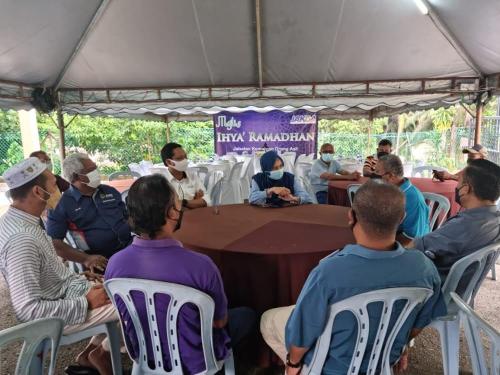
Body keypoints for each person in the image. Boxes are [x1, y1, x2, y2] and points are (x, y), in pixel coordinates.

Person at [260, 181, 446, 375]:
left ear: (351, 216)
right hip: (386, 358)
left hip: (332, 366)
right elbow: (420, 321)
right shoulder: (425, 268)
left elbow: (301, 335)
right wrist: (401, 344)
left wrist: (294, 363)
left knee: (268, 319)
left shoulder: (329, 271)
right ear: (402, 218)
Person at [105, 174, 256, 374]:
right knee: (247, 315)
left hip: (145, 353)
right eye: (177, 203)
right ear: (172, 213)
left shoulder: (115, 264)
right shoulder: (201, 266)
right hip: (196, 358)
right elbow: (219, 322)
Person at [0, 157, 118, 375]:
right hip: (54, 314)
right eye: (54, 186)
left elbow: (48, 274)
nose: (59, 191)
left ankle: (92, 353)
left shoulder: (24, 220)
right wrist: (86, 302)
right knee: (134, 303)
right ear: (37, 191)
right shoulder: (21, 240)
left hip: (64, 295)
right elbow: (28, 311)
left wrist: (80, 279)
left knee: (119, 288)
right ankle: (101, 353)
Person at [409, 159, 500, 282]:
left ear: (465, 189)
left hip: (431, 290)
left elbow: (415, 247)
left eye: (459, 182)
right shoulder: (495, 218)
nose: (456, 186)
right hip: (460, 291)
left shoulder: (463, 225)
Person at [46, 153, 131, 269]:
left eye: (95, 167)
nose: (97, 172)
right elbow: (54, 243)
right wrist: (85, 259)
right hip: (100, 262)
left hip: (129, 250)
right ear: (76, 176)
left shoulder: (110, 191)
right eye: (91, 170)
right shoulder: (62, 205)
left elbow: (128, 217)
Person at [375, 154, 430, 240]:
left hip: (408, 248)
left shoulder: (413, 199)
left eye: (378, 173)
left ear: (391, 176)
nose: (374, 177)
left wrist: (382, 246)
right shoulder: (388, 189)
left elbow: (411, 239)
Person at [161, 142, 211, 209]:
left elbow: (207, 201)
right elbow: (166, 208)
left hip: (194, 217)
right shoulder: (161, 182)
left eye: (185, 157)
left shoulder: (193, 176)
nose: (185, 161)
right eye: (179, 158)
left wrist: (184, 202)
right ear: (168, 162)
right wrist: (194, 202)